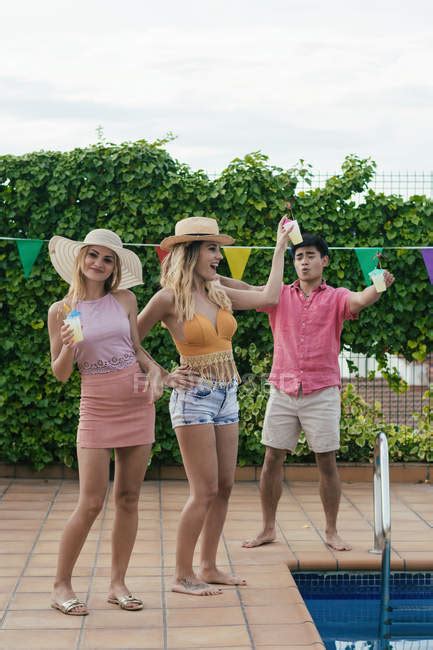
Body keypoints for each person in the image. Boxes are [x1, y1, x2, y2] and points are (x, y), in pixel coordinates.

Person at [137, 215, 291, 595]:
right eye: (211, 248)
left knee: (224, 486)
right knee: (203, 490)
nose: (219, 256)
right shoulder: (168, 298)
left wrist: (280, 247)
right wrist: (162, 373)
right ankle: (181, 575)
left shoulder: (219, 290)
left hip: (227, 395)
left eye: (218, 249)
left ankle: (208, 566)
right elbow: (128, 340)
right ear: (190, 253)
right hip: (193, 400)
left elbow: (268, 296)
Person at [219, 233, 395, 551]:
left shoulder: (337, 297)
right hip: (283, 389)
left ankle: (331, 531)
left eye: (310, 255)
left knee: (326, 462)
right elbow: (246, 290)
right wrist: (211, 275)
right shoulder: (278, 295)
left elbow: (360, 299)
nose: (303, 261)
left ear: (324, 260)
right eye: (299, 257)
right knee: (271, 458)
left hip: (322, 391)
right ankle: (268, 528)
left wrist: (380, 284)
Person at [47, 229, 164, 615]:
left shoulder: (125, 299)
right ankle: (61, 585)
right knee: (91, 501)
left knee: (128, 498)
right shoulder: (63, 311)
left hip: (136, 403)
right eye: (93, 255)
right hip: (96, 408)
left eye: (108, 258)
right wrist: (68, 345)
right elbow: (62, 374)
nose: (99, 263)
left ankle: (117, 583)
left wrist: (154, 371)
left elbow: (134, 347)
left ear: (115, 267)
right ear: (80, 259)